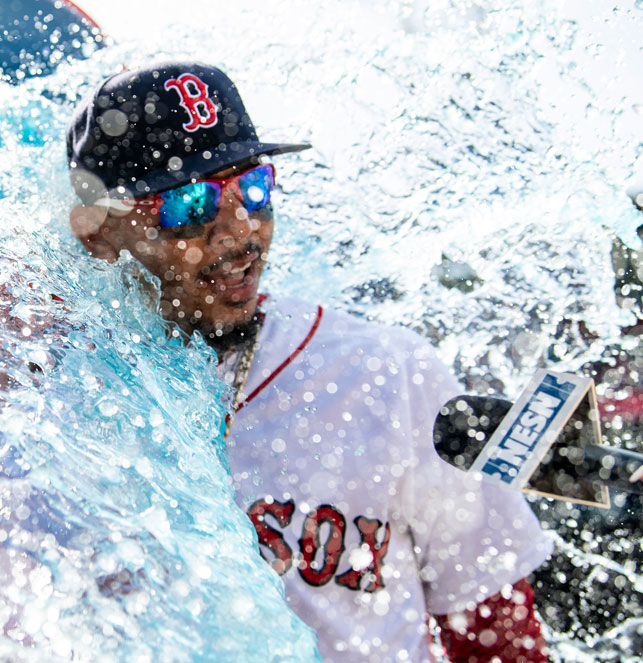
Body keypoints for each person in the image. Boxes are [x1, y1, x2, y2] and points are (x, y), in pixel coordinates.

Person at [65, 60, 555, 663]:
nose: (239, 231)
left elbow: (494, 626)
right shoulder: (68, 411)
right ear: (99, 232)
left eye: (254, 188)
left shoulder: (389, 375)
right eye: (190, 203)